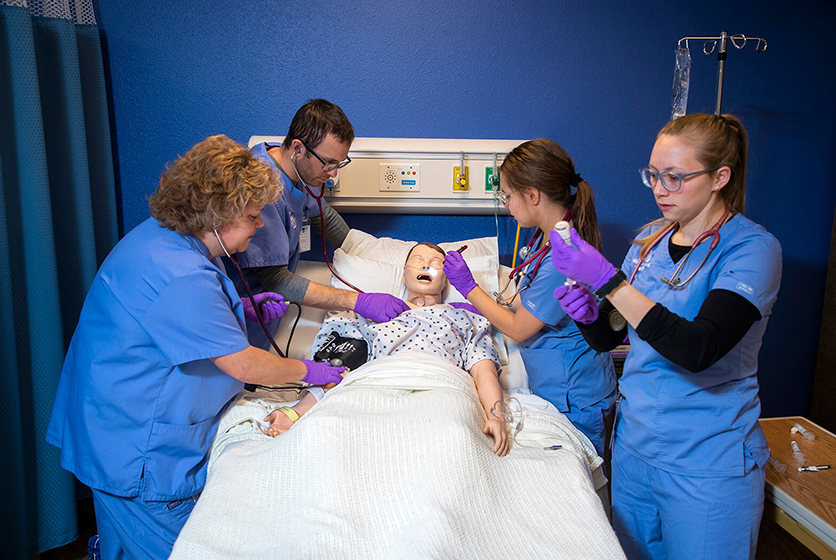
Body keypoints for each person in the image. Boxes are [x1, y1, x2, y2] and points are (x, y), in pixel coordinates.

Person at [45, 135, 348, 559]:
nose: (259, 226)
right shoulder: (183, 273)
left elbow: (167, 320)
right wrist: (313, 372)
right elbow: (242, 364)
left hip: (108, 421)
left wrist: (239, 306)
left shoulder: (162, 238)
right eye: (252, 216)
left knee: (121, 543)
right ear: (217, 215)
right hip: (138, 448)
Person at [551, 113, 782, 559]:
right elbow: (611, 336)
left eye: (675, 177)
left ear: (720, 177)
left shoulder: (752, 249)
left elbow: (699, 349)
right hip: (637, 453)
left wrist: (610, 281)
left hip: (706, 463)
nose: (660, 188)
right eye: (653, 175)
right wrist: (589, 315)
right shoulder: (648, 243)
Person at [442, 139, 617, 457]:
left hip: (575, 396)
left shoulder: (562, 256)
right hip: (553, 389)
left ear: (532, 195)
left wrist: (469, 287)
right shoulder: (542, 239)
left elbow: (520, 328)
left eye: (507, 196)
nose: (505, 204)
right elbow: (526, 299)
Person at [269, 242, 510, 456]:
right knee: (329, 434)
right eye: (418, 260)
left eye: (436, 262)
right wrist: (297, 412)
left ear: (446, 279)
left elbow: (483, 371)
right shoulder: (374, 313)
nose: (426, 265)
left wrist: (496, 415)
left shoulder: (464, 318)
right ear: (403, 275)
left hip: (441, 390)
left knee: (451, 440)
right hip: (373, 387)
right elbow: (338, 368)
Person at [235, 98, 406, 349]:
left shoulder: (298, 172)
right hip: (240, 319)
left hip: (261, 329)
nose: (333, 173)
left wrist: (383, 254)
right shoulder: (260, 186)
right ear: (297, 147)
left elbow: (322, 217)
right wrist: (358, 302)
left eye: (339, 163)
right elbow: (276, 280)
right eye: (328, 162)